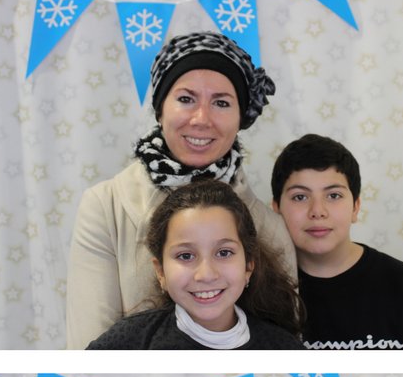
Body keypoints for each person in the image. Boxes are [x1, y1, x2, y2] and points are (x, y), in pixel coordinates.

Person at [66, 31, 296, 349]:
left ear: (240, 117)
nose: (201, 119)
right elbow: (89, 353)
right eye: (186, 99)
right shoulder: (106, 207)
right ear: (160, 110)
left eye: (221, 103)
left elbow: (284, 348)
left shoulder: (270, 227)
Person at [271, 134, 403, 350]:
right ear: (276, 208)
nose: (318, 211)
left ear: (356, 207)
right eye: (300, 197)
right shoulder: (263, 292)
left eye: (333, 196)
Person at [86, 179, 304, 349]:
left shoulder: (285, 351)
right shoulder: (129, 344)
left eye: (224, 252)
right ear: (161, 271)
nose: (206, 274)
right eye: (185, 256)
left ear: (248, 266)